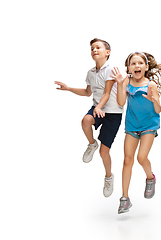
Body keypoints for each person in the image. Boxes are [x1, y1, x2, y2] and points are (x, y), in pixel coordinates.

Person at [54, 38, 123, 197]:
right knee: (86, 120)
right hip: (97, 108)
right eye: (92, 48)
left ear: (108, 52)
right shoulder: (91, 72)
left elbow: (107, 93)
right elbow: (87, 93)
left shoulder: (111, 69)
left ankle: (108, 177)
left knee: (104, 153)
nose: (94, 50)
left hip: (113, 113)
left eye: (98, 47)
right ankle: (92, 144)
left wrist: (99, 106)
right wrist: (68, 88)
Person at [110, 52, 161, 213]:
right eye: (133, 63)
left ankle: (150, 178)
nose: (137, 66)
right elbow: (121, 102)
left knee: (141, 157)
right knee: (127, 160)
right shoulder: (127, 81)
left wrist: (154, 100)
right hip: (132, 125)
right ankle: (125, 199)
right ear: (129, 67)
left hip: (149, 125)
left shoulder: (150, 85)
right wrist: (119, 84)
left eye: (140, 63)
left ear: (146, 67)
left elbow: (159, 110)